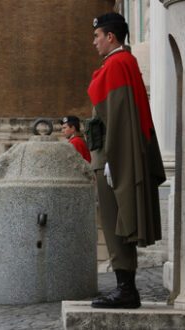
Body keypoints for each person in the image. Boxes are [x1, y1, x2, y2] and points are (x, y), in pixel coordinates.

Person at [87, 12, 166, 309]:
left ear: (111, 37)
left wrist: (112, 160)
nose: (94, 42)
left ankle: (126, 290)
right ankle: (126, 288)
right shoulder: (124, 62)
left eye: (97, 36)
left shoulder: (119, 63)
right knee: (120, 221)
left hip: (112, 156)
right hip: (114, 154)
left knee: (115, 222)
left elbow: (118, 120)